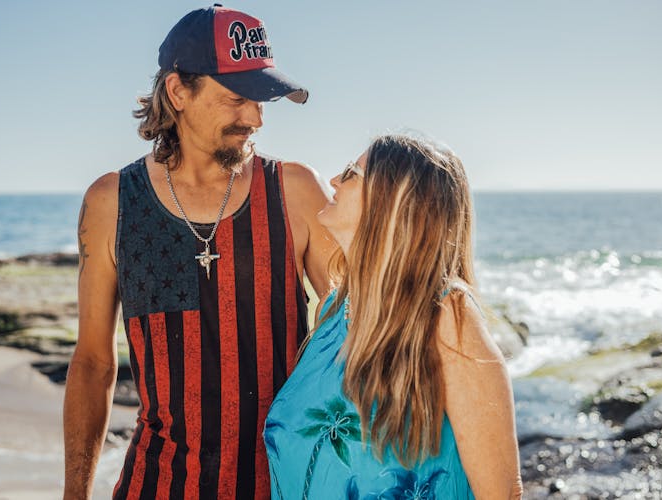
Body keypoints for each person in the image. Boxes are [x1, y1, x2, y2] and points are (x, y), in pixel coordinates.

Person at [63, 5, 335, 499]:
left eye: (263, 100)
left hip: (283, 485)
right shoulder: (111, 203)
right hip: (156, 485)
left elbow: (356, 331)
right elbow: (94, 364)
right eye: (237, 99)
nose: (255, 117)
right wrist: (74, 494)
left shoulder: (296, 191)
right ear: (178, 91)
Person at [264, 134, 523, 499]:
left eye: (352, 173)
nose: (334, 181)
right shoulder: (333, 310)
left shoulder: (446, 316)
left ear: (394, 201)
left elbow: (502, 493)